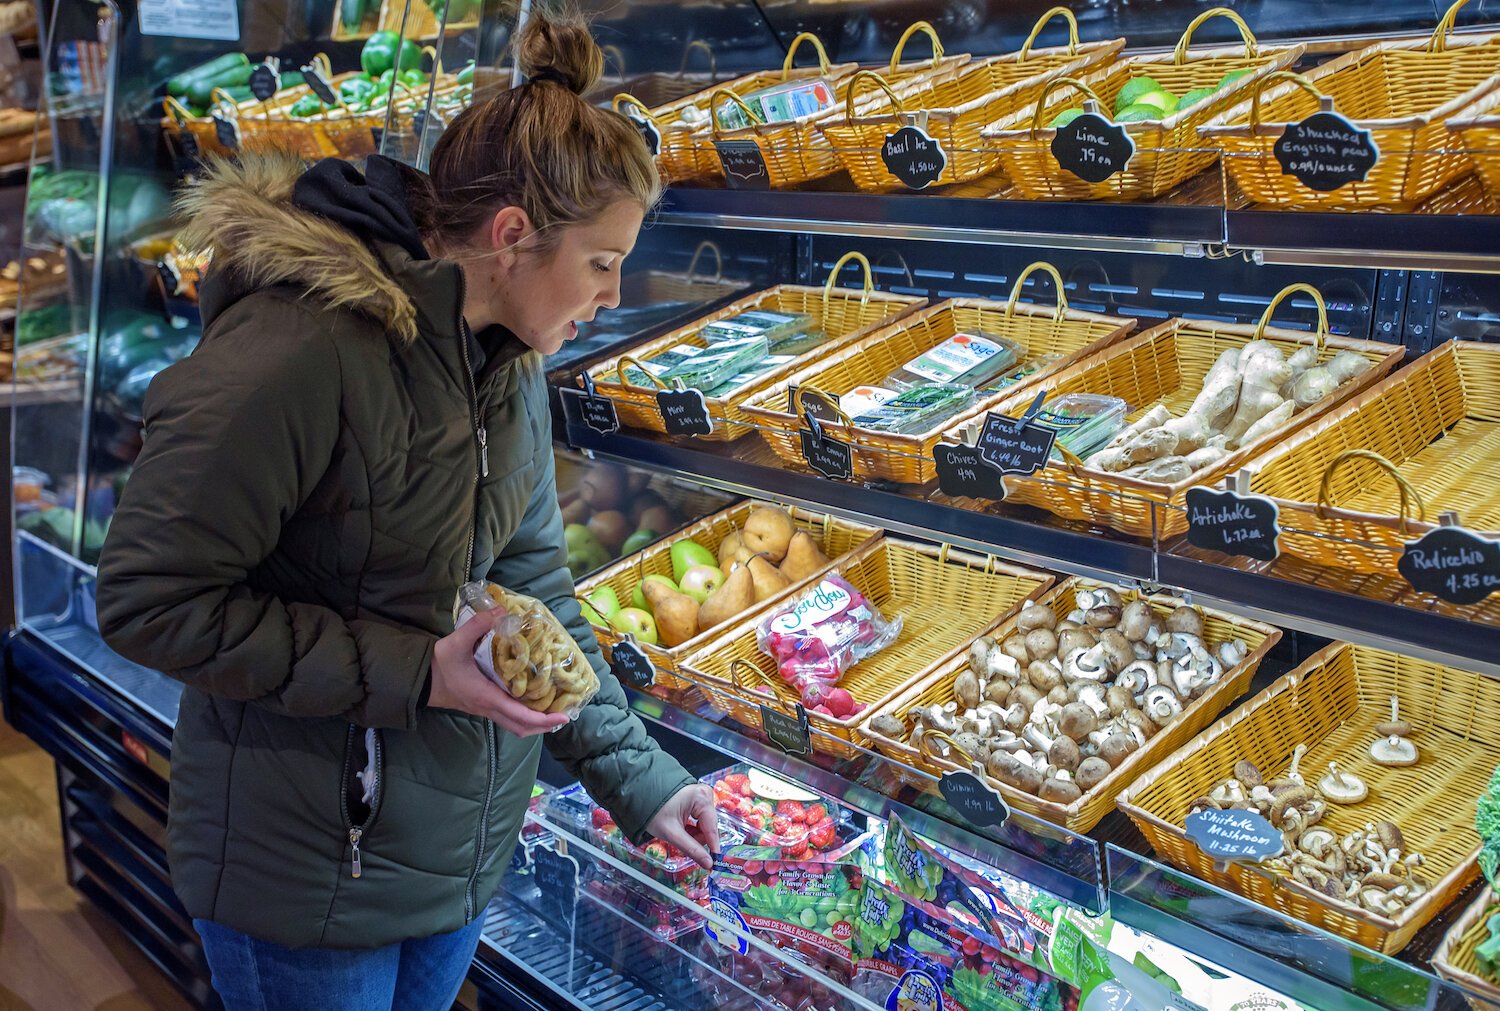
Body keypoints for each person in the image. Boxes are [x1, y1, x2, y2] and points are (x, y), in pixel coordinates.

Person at [94, 12, 719, 1010]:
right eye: (602, 263)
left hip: (452, 863)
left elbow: (531, 583)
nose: (613, 295)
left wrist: (645, 781)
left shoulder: (507, 359)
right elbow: (147, 599)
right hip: (306, 878)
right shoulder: (300, 352)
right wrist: (419, 671)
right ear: (512, 238)